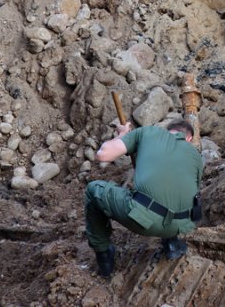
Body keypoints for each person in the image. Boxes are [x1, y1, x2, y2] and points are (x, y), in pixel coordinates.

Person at [84, 119, 202, 277]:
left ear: (168, 131)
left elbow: (103, 155)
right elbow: (191, 194)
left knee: (93, 189)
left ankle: (104, 256)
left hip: (144, 220)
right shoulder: (196, 155)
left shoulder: (148, 132)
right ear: (188, 139)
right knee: (174, 192)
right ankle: (171, 243)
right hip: (182, 225)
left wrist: (123, 134)